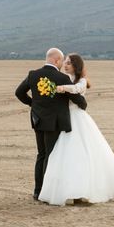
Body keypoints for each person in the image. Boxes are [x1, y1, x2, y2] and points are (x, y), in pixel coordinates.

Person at [37, 53, 114, 206]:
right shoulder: (64, 78)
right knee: (66, 156)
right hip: (66, 120)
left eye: (69, 63)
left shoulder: (81, 81)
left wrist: (62, 88)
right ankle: (70, 190)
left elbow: (76, 89)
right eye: (65, 62)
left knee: (84, 153)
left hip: (79, 119)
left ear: (76, 65)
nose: (66, 65)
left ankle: (84, 191)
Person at [15, 48, 87, 200]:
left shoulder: (33, 74)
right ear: (57, 61)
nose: (62, 64)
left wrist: (33, 104)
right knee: (51, 155)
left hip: (37, 120)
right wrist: (83, 101)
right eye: (62, 61)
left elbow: (19, 93)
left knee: (41, 155)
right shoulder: (61, 77)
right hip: (55, 123)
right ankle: (47, 193)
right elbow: (78, 101)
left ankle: (37, 191)